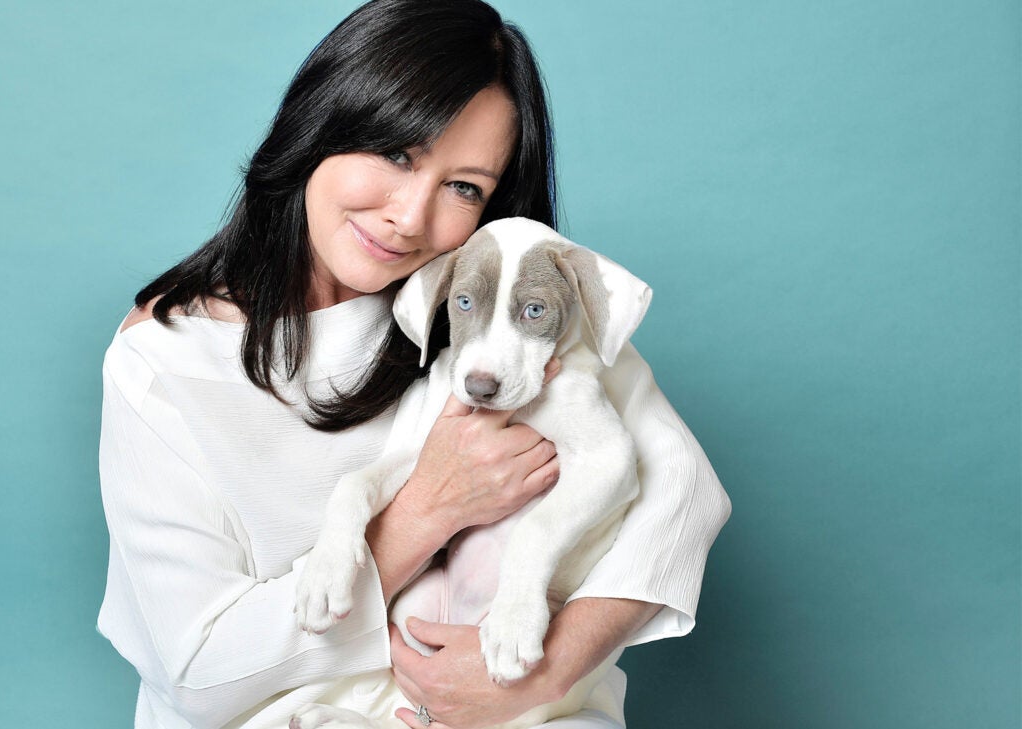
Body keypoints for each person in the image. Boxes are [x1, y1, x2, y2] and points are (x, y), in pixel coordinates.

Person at [96, 1, 730, 728]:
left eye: (464, 186)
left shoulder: (484, 310)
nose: (409, 215)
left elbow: (683, 495)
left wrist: (543, 669)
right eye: (396, 153)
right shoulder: (165, 359)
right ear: (321, 121)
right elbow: (200, 674)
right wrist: (426, 510)